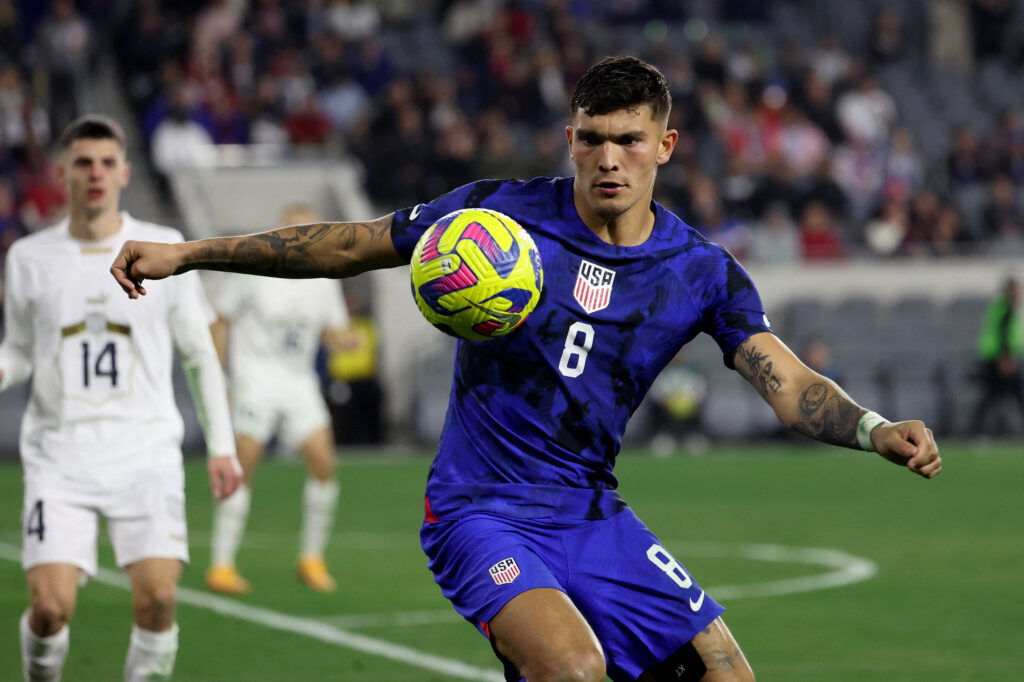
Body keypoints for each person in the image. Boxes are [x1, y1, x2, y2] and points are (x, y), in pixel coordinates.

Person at [111, 57, 942, 682]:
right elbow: (352, 244)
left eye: (628, 140)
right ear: (569, 139)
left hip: (588, 511)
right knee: (575, 671)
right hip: (479, 510)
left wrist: (873, 429)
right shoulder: (500, 216)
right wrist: (191, 252)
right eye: (592, 139)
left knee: (727, 671)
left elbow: (790, 385)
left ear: (666, 145)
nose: (608, 159)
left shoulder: (700, 272)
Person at [1, 115, 241, 682]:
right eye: (83, 162)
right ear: (60, 172)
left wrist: (222, 447)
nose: (95, 174)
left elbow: (199, 353)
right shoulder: (29, 258)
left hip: (146, 452)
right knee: (49, 609)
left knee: (157, 600)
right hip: (58, 455)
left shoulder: (165, 249)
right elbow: (20, 349)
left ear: (125, 172)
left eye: (107, 162)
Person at [205, 203, 351, 595]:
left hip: (298, 383)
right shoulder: (255, 270)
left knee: (323, 461)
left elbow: (333, 333)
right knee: (244, 463)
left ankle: (311, 559)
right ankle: (221, 564)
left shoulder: (323, 279)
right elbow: (219, 317)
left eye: (308, 230)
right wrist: (220, 375)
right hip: (255, 379)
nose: (299, 237)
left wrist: (346, 341)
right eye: (293, 229)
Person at [970, 275, 1024, 435]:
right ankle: (975, 432)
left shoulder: (999, 306)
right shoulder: (1005, 308)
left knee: (992, 397)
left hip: (995, 357)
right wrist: (1006, 359)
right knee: (1003, 396)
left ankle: (975, 432)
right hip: (1000, 359)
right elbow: (1003, 334)